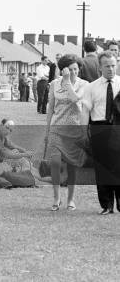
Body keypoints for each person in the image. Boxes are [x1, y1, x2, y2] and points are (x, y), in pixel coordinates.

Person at [44, 54, 90, 211]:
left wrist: (68, 82)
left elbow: (74, 99)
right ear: (63, 70)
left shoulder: (84, 84)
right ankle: (56, 198)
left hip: (74, 129)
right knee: (55, 163)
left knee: (72, 166)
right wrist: (47, 129)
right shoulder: (54, 84)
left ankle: (70, 199)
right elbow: (50, 108)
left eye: (76, 69)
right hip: (57, 128)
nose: (73, 72)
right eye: (70, 70)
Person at [81, 51, 120, 215]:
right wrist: (83, 131)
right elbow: (85, 111)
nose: (111, 69)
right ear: (100, 67)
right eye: (107, 66)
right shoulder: (91, 87)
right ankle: (106, 205)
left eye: (113, 65)